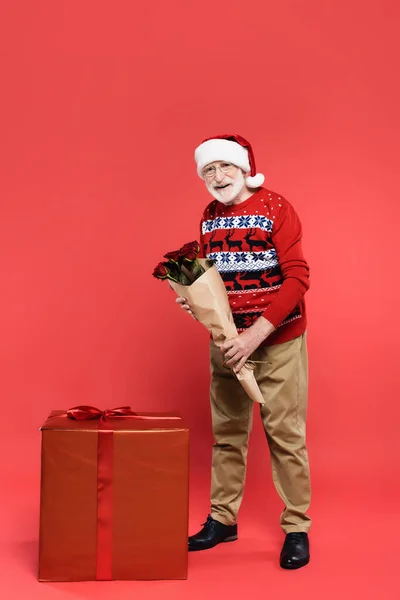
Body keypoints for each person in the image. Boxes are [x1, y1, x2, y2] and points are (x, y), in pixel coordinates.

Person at [177, 134, 312, 570]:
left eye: (224, 166)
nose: (217, 177)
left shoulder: (276, 207)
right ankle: (223, 520)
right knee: (227, 436)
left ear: (244, 167)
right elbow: (211, 278)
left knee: (286, 437)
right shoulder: (209, 216)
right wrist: (192, 299)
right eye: (208, 170)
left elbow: (297, 278)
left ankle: (297, 527)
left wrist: (255, 335)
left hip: (277, 340)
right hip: (225, 344)